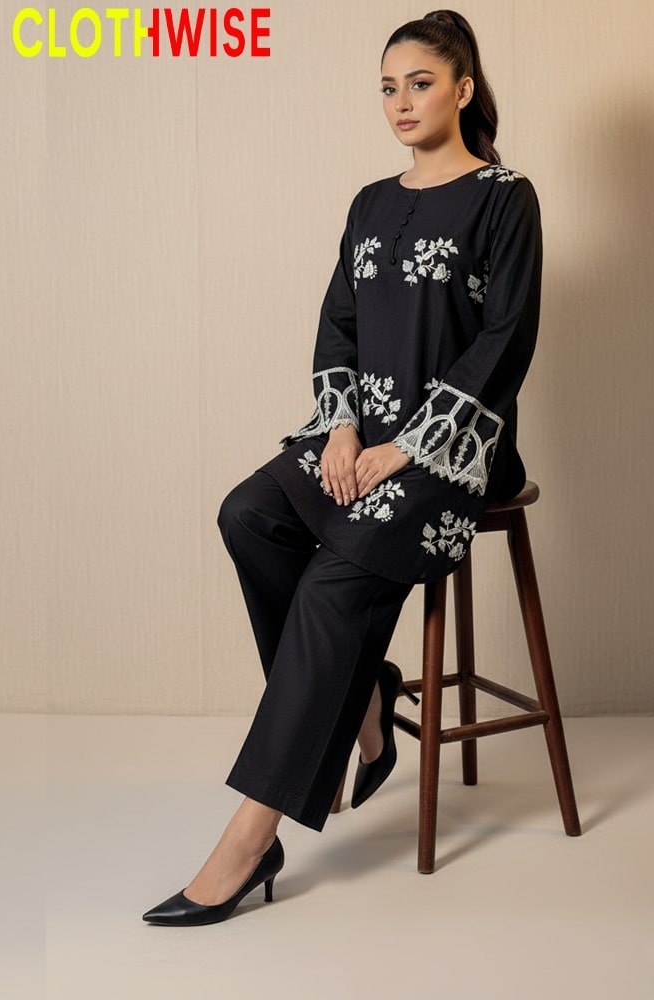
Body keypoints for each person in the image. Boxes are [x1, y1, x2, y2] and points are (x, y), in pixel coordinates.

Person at [142, 9, 542, 926]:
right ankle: (364, 693)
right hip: (364, 439)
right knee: (250, 513)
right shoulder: (369, 201)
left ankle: (253, 836)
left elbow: (506, 341)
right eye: (388, 88)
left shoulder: (504, 197)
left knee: (331, 589)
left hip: (455, 451)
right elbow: (340, 326)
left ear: (465, 88)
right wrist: (343, 433)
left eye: (422, 83)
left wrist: (409, 445)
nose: (402, 103)